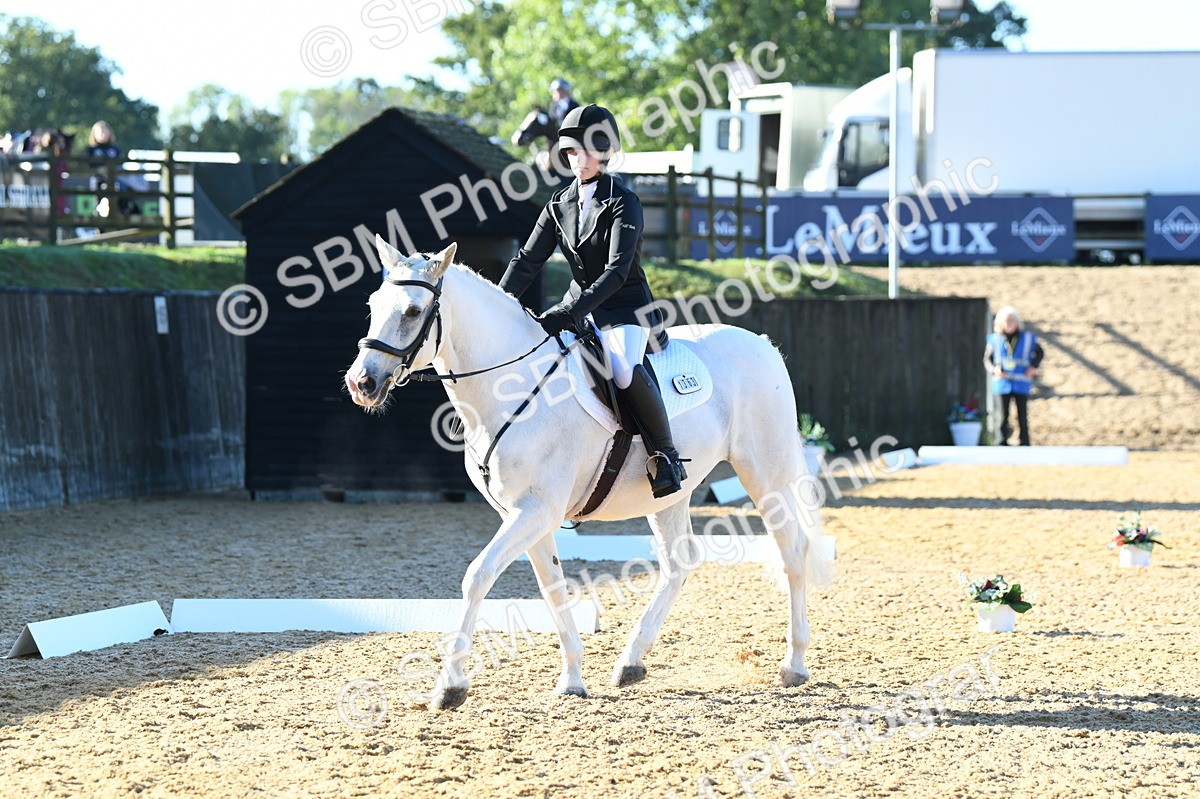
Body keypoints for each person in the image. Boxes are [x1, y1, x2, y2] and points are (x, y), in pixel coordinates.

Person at [498, 104, 688, 498]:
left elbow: (618, 272)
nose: (578, 160)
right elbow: (526, 261)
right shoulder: (558, 204)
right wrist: (498, 304)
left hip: (625, 308)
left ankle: (665, 456)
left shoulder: (624, 201)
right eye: (570, 152)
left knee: (621, 369)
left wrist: (570, 312)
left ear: (604, 152)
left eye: (586, 152)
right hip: (580, 306)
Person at [984, 305, 1044, 446]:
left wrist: (1033, 367)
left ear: (1017, 322)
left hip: (1021, 381)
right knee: (1002, 414)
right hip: (1002, 382)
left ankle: (1024, 441)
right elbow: (987, 359)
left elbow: (1040, 353)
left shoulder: (1027, 338)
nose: (1008, 324)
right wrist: (994, 369)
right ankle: (1002, 441)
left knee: (1022, 414)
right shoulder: (994, 339)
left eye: (1011, 320)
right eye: (1005, 321)